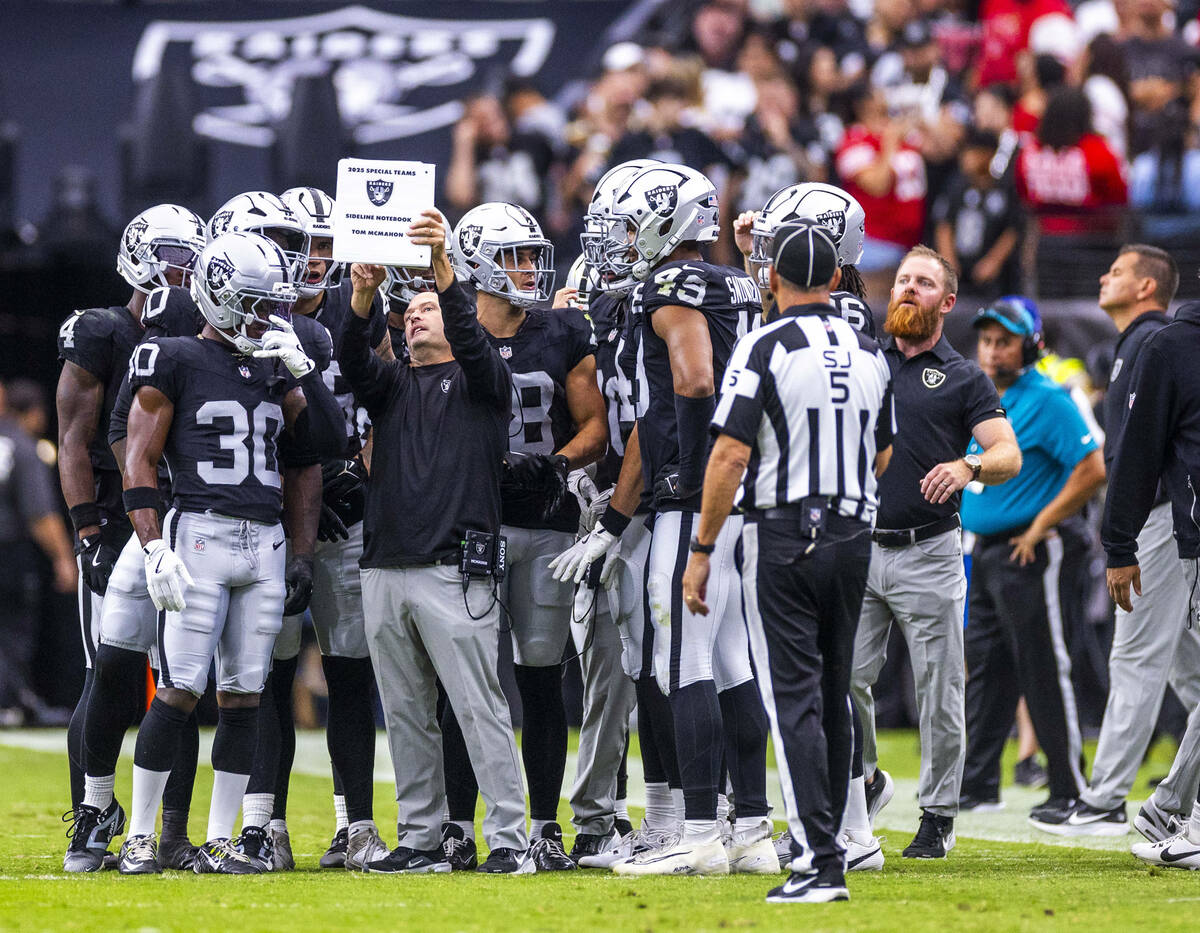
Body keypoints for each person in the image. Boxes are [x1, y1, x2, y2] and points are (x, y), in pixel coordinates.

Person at [560, 162, 773, 876]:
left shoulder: (670, 284)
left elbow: (693, 380)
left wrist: (682, 473)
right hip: (739, 495)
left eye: (626, 224)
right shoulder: (739, 283)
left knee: (682, 660)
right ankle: (752, 824)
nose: (618, 241)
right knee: (734, 663)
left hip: (692, 499)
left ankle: (701, 831)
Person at [115, 232, 343, 875]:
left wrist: (300, 553)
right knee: (181, 689)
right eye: (251, 303)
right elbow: (140, 457)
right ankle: (141, 834)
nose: (263, 317)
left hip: (265, 541)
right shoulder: (174, 356)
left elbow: (319, 451)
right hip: (201, 535)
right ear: (214, 296)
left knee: (245, 693)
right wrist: (153, 545)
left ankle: (221, 839)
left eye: (272, 304)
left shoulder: (278, 362)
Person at [682, 220, 894, 902]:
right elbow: (883, 449)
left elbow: (730, 453)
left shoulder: (764, 344)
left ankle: (817, 859)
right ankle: (837, 843)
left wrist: (703, 548)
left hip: (786, 532)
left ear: (772, 278)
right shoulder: (868, 348)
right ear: (835, 280)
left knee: (794, 697)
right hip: (854, 533)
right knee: (832, 696)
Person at [337, 211, 534, 875]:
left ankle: (510, 838)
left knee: (479, 710)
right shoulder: (393, 386)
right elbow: (350, 358)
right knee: (407, 715)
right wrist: (362, 298)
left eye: (429, 308)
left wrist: (443, 270)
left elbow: (477, 348)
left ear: (458, 318)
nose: (415, 315)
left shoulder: (484, 383)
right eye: (410, 308)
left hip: (455, 569)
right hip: (385, 565)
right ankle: (420, 839)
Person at [441, 200, 607, 871]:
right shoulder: (444, 329)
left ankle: (542, 825)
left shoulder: (563, 330)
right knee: (468, 683)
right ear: (477, 263)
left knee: (540, 679)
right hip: (472, 523)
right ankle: (456, 823)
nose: (529, 268)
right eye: (513, 256)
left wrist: (558, 464)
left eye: (532, 254)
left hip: (544, 520)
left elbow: (594, 424)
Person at [847, 246, 1021, 859]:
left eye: (922, 283)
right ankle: (865, 779)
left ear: (946, 302)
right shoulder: (863, 360)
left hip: (930, 550)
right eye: (902, 281)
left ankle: (938, 816)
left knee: (940, 688)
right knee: (843, 678)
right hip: (861, 547)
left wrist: (967, 462)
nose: (908, 290)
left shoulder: (965, 376)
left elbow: (1008, 453)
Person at [242, 186, 392, 872]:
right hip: (274, 511)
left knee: (349, 671)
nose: (315, 258)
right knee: (269, 673)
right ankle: (265, 822)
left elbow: (390, 405)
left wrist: (358, 474)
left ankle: (354, 824)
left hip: (348, 508)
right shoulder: (250, 307)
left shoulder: (359, 310)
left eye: (329, 244)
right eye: (305, 242)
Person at [56, 203, 205, 859]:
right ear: (143, 256)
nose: (188, 268)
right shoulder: (103, 330)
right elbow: (71, 438)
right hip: (117, 522)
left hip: (190, 521)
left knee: (182, 680)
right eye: (177, 255)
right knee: (108, 674)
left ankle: (167, 831)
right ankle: (90, 813)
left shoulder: (207, 336)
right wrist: (87, 530)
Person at [1035, 245, 1200, 836]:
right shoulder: (1138, 345)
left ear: (1148, 287)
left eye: (1119, 271)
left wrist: (1122, 539)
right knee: (1186, 667)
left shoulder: (1153, 343)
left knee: (1133, 655)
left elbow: (1139, 454)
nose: (1104, 277)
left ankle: (1105, 800)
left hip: (1158, 518)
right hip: (1162, 518)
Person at [957, 300, 1105, 822]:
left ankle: (1069, 788)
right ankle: (977, 784)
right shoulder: (988, 399)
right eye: (987, 340)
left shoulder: (1047, 396)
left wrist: (1042, 525)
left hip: (1035, 546)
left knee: (1044, 665)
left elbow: (1092, 467)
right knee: (988, 669)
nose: (993, 349)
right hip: (991, 548)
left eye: (1005, 341)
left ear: (1031, 345)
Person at [1103, 260, 1200, 870]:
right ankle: (1170, 810)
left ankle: (1169, 809)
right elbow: (1136, 451)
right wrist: (1120, 544)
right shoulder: (1171, 345)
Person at [0, 391, 77, 722]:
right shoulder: (20, 445)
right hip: (10, 554)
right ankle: (11, 703)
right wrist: (63, 557)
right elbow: (40, 513)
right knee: (15, 630)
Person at [737, 181, 875, 336]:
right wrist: (750, 253)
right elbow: (771, 314)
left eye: (785, 243)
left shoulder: (827, 309)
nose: (775, 254)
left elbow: (773, 319)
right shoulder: (847, 307)